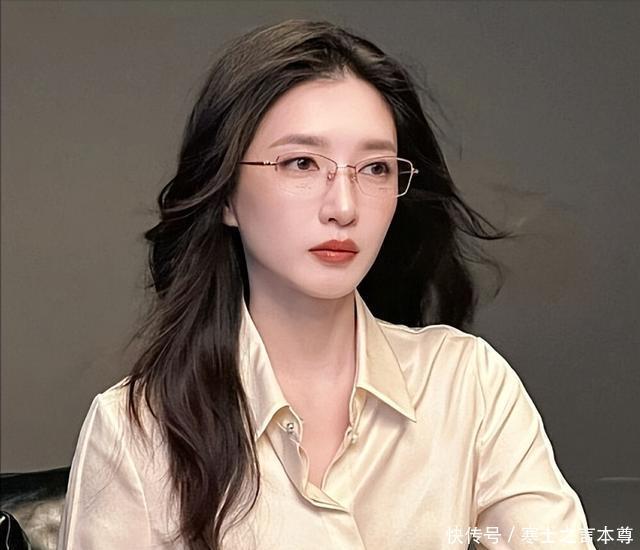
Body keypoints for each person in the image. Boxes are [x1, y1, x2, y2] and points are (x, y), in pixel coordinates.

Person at [56, 19, 596, 550]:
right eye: (301, 163)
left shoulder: (466, 384)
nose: (343, 206)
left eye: (376, 168)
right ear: (225, 195)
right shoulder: (136, 430)